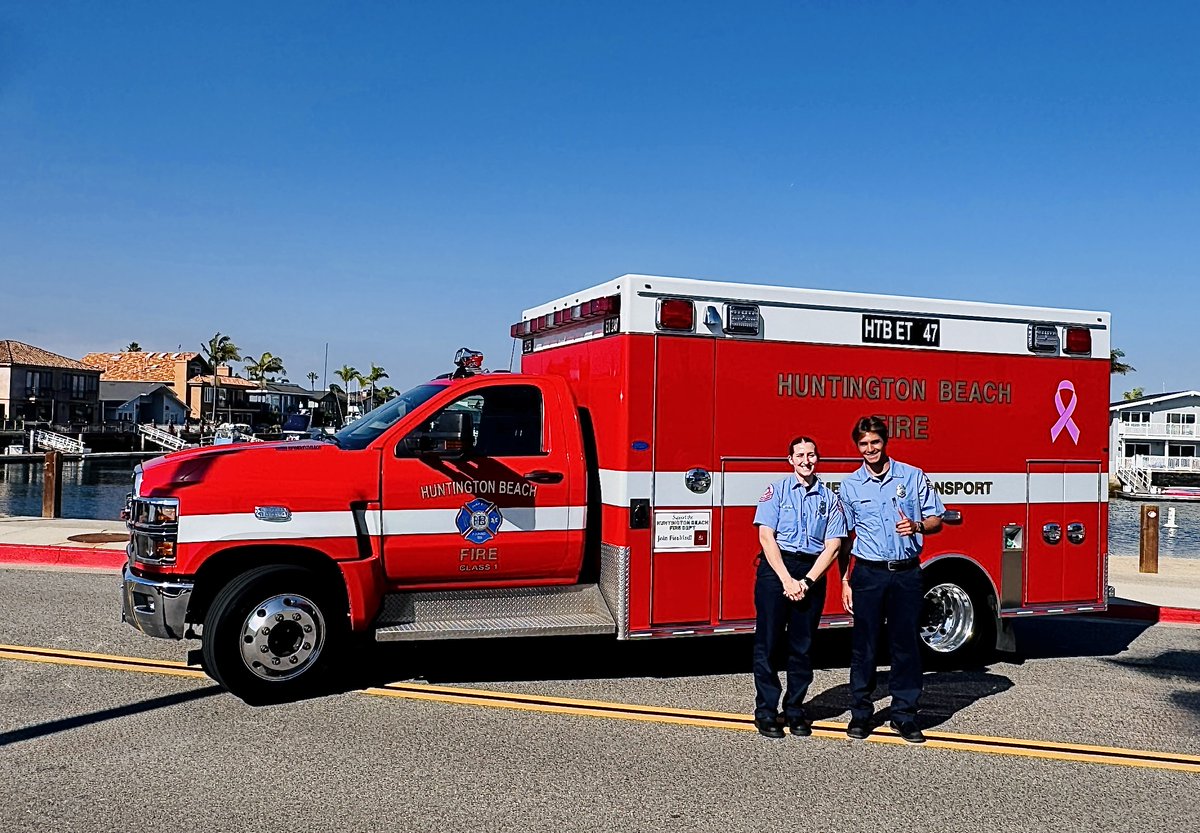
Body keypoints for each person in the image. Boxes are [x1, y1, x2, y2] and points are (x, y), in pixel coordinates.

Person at [839, 415, 945, 744]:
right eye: (863, 444)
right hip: (868, 573)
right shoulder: (850, 486)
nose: (870, 448)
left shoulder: (912, 476)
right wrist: (845, 581)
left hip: (906, 573)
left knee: (905, 645)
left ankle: (904, 715)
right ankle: (861, 713)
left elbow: (936, 519)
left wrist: (916, 526)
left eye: (875, 442)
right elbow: (844, 539)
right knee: (865, 646)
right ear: (857, 446)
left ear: (885, 441)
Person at [751, 436, 847, 738]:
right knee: (768, 644)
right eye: (800, 455)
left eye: (812, 455)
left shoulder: (830, 499)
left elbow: (833, 546)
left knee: (802, 647)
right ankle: (766, 711)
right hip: (776, 570)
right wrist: (786, 580)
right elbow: (766, 537)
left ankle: (794, 709)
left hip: (811, 572)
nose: (807, 461)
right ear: (790, 460)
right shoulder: (776, 491)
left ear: (817, 458)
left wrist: (806, 581)